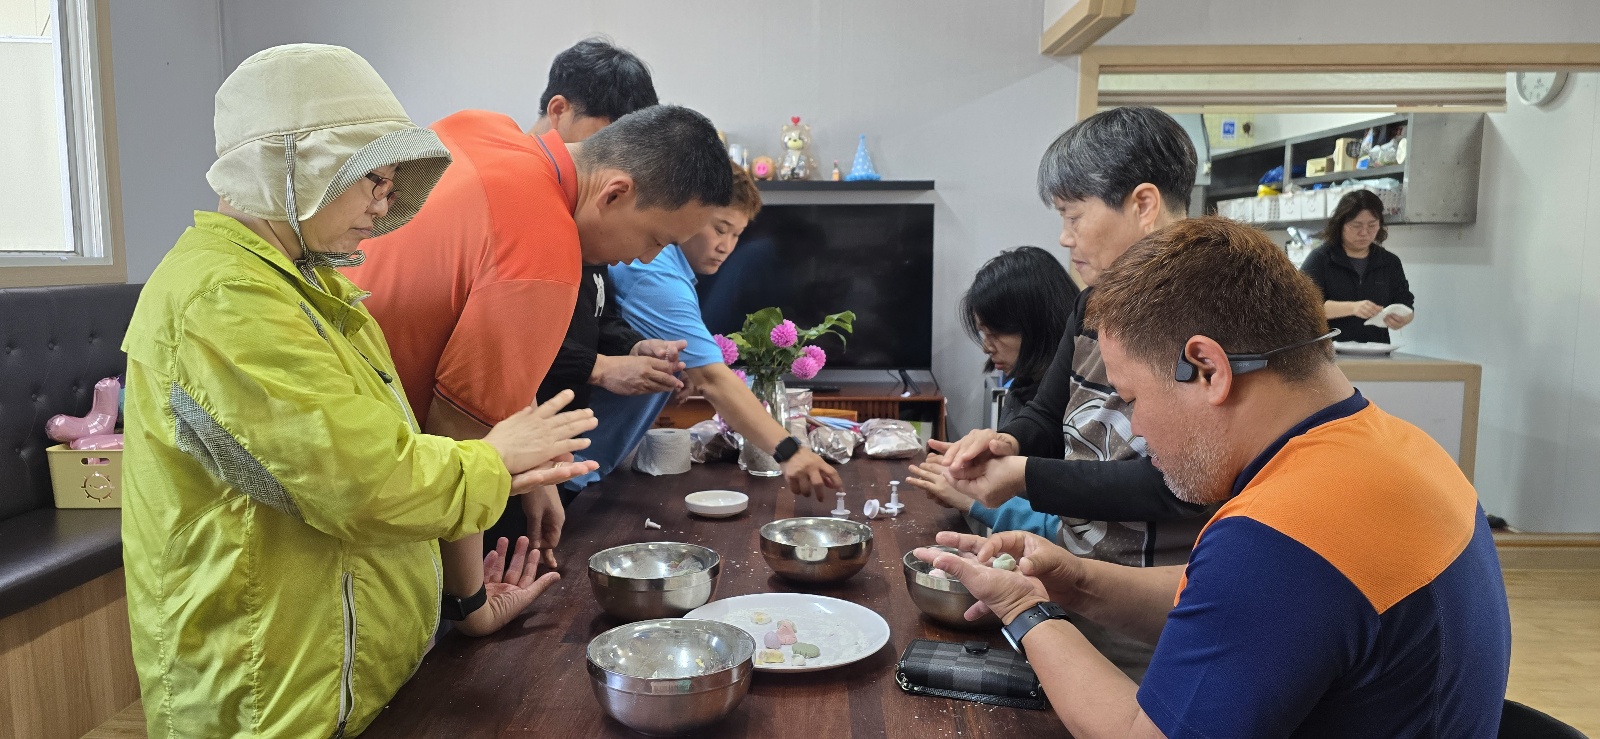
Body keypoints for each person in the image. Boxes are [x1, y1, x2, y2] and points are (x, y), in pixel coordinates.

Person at [120, 45, 599, 736]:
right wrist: (499, 458)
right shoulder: (223, 299)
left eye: (389, 183)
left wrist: (463, 602)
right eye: (370, 179)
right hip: (271, 702)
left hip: (336, 683)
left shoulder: (312, 286)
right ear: (290, 166)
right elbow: (365, 483)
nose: (383, 204)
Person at [917, 217, 1511, 738]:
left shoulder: (1282, 536)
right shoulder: (1404, 450)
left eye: (1132, 398)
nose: (1137, 429)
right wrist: (1074, 581)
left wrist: (1023, 607)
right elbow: (1225, 602)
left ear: (1208, 369)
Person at [344, 103, 732, 602]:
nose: (644, 257)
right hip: (369, 482)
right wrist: (469, 602)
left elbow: (478, 320)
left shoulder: (484, 127)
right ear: (615, 193)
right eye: (656, 239)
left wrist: (540, 475)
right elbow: (462, 439)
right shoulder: (548, 254)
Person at [927, 106, 1211, 677]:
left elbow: (1182, 485)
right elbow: (1045, 413)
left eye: (1074, 215)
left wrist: (1025, 476)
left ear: (1144, 204)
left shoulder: (1205, 314)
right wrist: (1005, 443)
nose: (1064, 237)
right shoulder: (1091, 303)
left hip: (1155, 610)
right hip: (1073, 578)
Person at [573, 161, 843, 500]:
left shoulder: (669, 268)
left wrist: (680, 365)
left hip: (585, 466)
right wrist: (789, 450)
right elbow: (713, 379)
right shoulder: (656, 274)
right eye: (719, 228)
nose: (726, 246)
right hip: (569, 470)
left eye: (736, 234)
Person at [907, 246, 1077, 541]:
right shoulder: (1023, 389)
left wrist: (969, 498)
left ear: (1036, 327)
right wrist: (966, 478)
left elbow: (1073, 534)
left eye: (995, 333)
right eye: (983, 333)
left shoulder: (1075, 408)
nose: (986, 346)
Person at [1300, 188, 1415, 343]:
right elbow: (1301, 307)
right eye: (1356, 225)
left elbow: (1406, 303)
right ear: (1341, 224)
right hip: (1328, 352)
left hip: (1376, 351)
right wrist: (1353, 308)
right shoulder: (1321, 259)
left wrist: (1403, 318)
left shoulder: (1389, 262)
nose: (1364, 233)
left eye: (1372, 225)